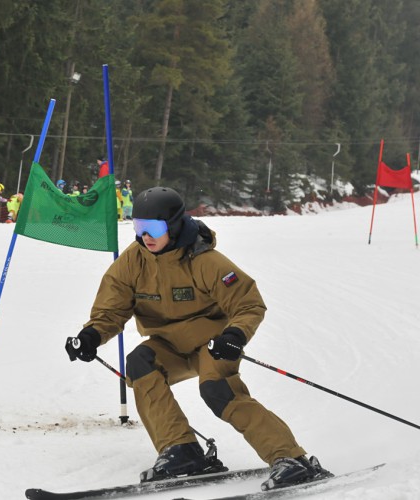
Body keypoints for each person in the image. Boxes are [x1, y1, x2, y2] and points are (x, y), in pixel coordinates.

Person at [64, 186, 330, 491]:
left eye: (153, 228)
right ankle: (182, 451)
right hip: (169, 346)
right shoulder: (133, 261)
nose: (145, 236)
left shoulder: (205, 260)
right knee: (139, 362)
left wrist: (235, 334)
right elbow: (111, 309)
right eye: (138, 227)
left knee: (218, 391)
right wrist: (91, 336)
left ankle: (290, 458)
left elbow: (248, 302)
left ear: (174, 225)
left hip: (212, 343)